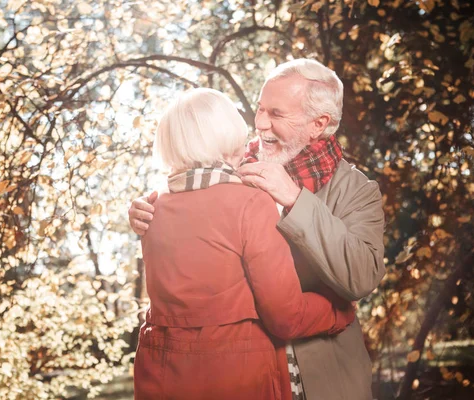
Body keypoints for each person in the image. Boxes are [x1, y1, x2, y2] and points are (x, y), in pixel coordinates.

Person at [129, 59, 386, 400]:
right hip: (236, 378)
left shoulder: (357, 190)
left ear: (318, 123)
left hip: (325, 378)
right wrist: (143, 211)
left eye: (276, 114)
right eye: (260, 109)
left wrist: (296, 200)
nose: (260, 124)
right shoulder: (231, 168)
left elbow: (362, 277)